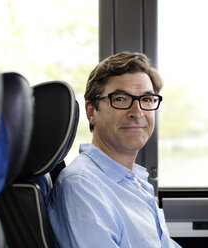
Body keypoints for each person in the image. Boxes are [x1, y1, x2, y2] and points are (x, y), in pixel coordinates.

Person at [47, 51, 181, 248]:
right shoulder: (83, 186)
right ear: (92, 112)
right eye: (120, 99)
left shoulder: (133, 179)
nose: (137, 112)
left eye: (146, 99)